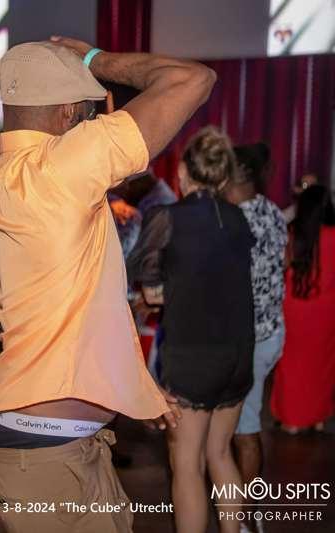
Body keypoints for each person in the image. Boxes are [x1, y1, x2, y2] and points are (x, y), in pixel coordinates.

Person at [0, 36, 215, 533]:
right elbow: (193, 79)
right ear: (68, 114)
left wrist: (128, 381)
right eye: (89, 113)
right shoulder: (64, 165)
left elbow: (45, 307)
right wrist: (94, 60)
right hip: (46, 452)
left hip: (47, 441)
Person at [129, 127, 256, 533]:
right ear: (223, 175)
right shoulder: (237, 218)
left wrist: (161, 292)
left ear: (183, 170)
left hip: (194, 357)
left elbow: (147, 283)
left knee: (186, 465)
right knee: (220, 452)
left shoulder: (168, 217)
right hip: (238, 354)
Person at [223, 143, 287, 532]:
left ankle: (246, 517)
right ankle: (248, 510)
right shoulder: (273, 212)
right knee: (239, 428)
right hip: (270, 333)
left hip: (248, 341)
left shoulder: (235, 222)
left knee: (243, 432)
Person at [271, 184, 335, 433]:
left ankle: (292, 419)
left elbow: (280, 267)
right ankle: (318, 417)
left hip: (294, 306)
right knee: (323, 365)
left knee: (291, 363)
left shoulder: (292, 235)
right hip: (327, 310)